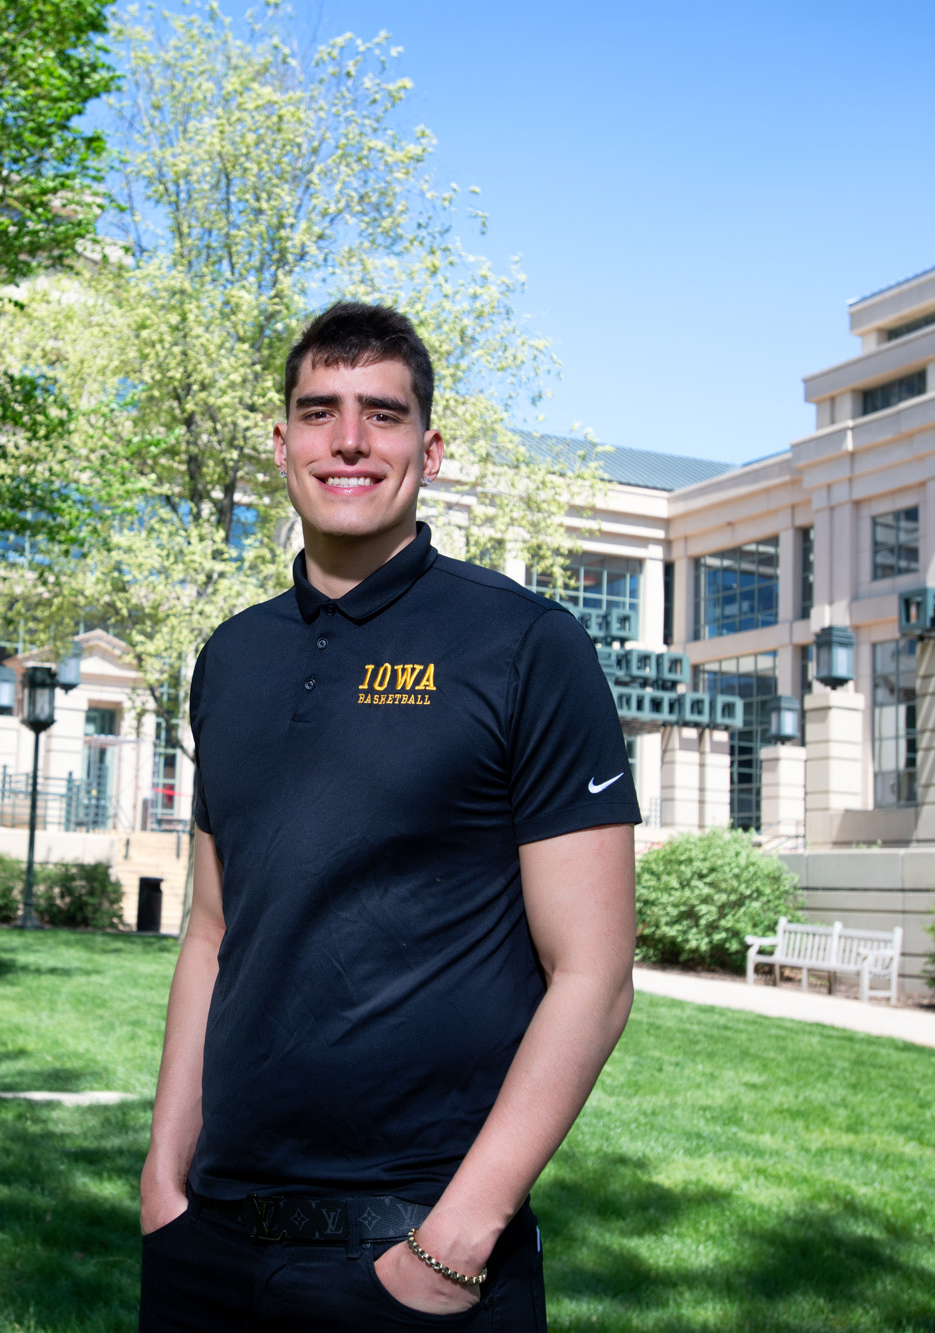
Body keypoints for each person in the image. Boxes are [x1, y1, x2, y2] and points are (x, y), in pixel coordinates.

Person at [138, 301, 640, 1330]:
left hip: (417, 1253)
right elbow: (212, 929)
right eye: (318, 412)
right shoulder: (231, 657)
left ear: (430, 448)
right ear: (282, 444)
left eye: (382, 413)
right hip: (210, 1242)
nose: (350, 440)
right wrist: (161, 1177)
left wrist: (455, 1241)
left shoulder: (524, 645)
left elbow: (592, 975)